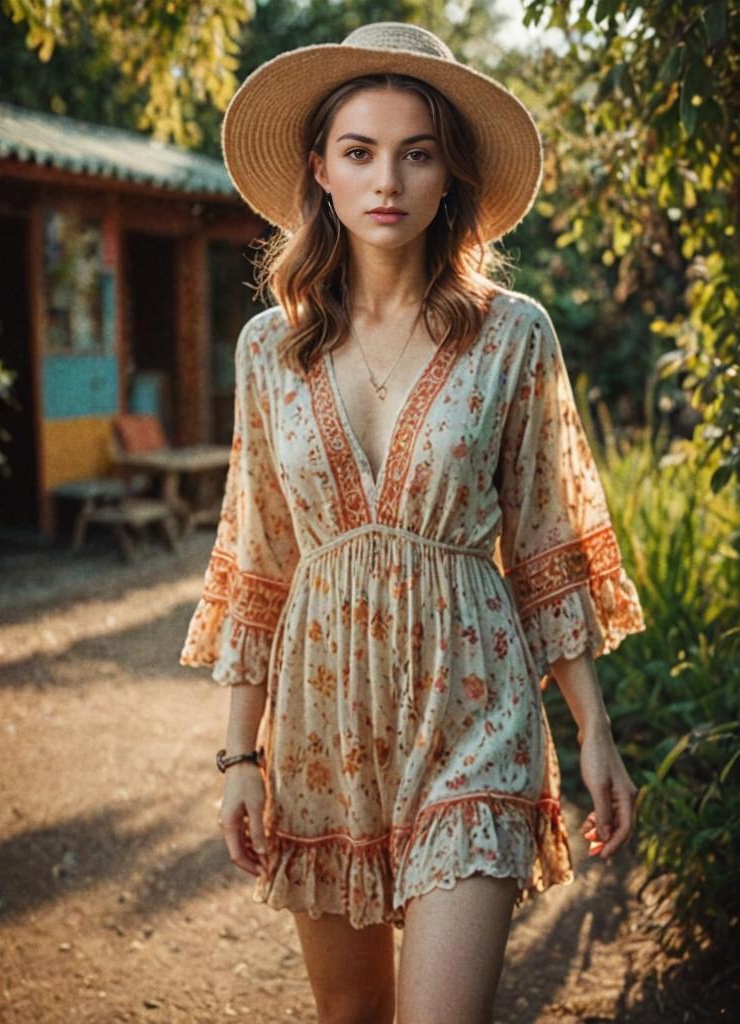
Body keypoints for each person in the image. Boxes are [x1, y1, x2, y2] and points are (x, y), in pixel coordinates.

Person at [180, 21, 647, 1024]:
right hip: (321, 721)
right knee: (353, 1016)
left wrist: (595, 729)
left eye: (417, 152)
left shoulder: (514, 334)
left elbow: (546, 540)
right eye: (361, 152)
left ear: (450, 179)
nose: (387, 178)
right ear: (322, 171)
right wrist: (240, 756)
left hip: (474, 706)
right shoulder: (270, 349)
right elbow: (257, 551)